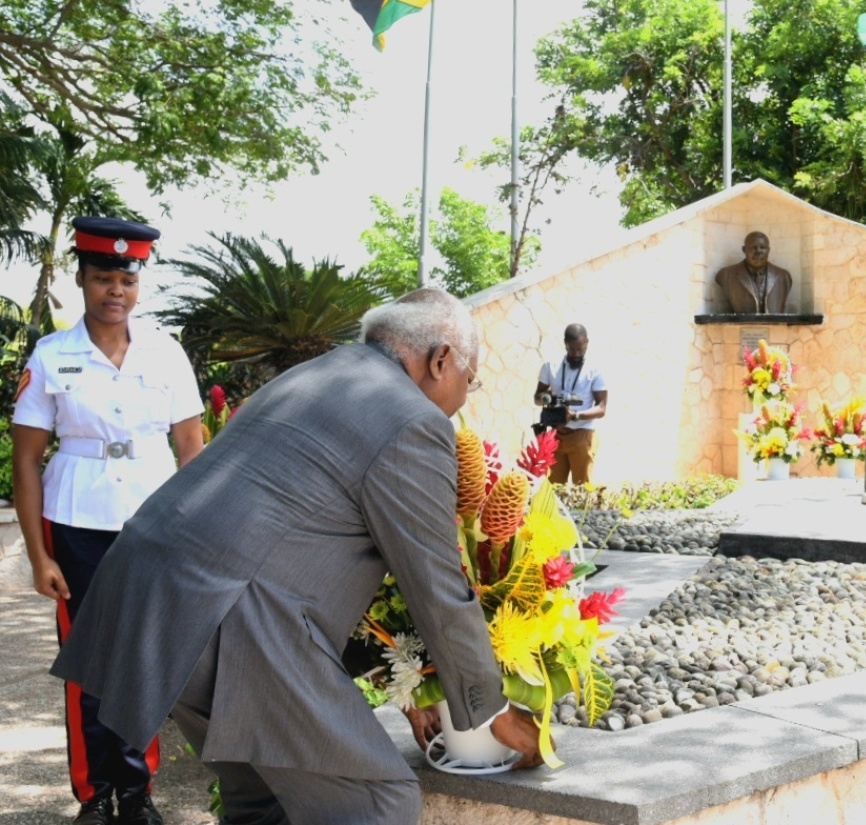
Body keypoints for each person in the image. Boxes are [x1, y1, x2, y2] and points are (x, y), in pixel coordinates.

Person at [51, 288, 544, 825]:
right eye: (469, 382)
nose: (464, 398)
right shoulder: (412, 420)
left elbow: (312, 547)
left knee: (264, 797)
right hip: (228, 618)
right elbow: (436, 583)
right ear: (440, 359)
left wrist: (403, 688)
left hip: (148, 595)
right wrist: (490, 710)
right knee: (377, 802)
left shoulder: (309, 377)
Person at [11, 216, 206, 825]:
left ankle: (136, 788)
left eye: (125, 278)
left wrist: (193, 536)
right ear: (82, 281)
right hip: (75, 521)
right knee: (87, 658)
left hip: (153, 521)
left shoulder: (166, 354)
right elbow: (25, 458)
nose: (114, 290)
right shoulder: (52, 355)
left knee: (141, 656)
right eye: (102, 278)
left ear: (138, 285)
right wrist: (39, 556)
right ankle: (94, 792)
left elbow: (193, 451)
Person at [533, 323, 608, 485]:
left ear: (587, 342)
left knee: (582, 490)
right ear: (565, 343)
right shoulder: (550, 366)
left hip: (582, 435)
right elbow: (537, 398)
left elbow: (602, 408)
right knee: (553, 490)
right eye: (572, 349)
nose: (576, 354)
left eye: (581, 349)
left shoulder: (594, 370)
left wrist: (574, 415)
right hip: (555, 435)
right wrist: (549, 398)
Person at [714, 231, 794, 314]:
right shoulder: (726, 275)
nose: (758, 251)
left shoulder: (784, 277)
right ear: (744, 250)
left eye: (762, 247)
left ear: (768, 250)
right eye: (753, 247)